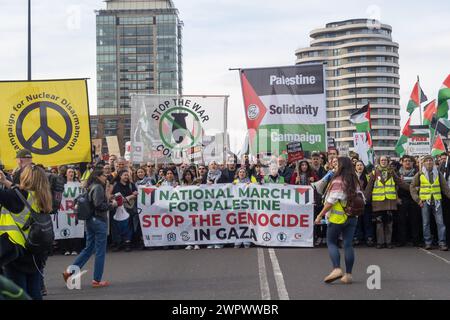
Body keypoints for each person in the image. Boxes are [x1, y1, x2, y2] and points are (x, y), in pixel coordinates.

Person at [0, 165, 53, 300]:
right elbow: (17, 191)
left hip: (15, 254)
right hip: (35, 254)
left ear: (26, 178)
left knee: (16, 295)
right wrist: (6, 181)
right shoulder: (42, 197)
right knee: (34, 293)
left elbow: (15, 194)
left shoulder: (18, 197)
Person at [63, 170, 117, 288]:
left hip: (90, 220)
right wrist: (112, 205)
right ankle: (97, 280)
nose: (105, 176)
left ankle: (69, 272)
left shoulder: (91, 186)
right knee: (100, 251)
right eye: (103, 175)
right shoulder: (98, 187)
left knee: (89, 249)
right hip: (99, 221)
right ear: (98, 176)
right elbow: (98, 205)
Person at [314, 157, 360, 284]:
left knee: (331, 242)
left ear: (341, 166)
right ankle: (348, 275)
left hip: (337, 217)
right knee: (348, 245)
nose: (334, 166)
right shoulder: (355, 180)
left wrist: (319, 215)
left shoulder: (339, 180)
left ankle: (336, 269)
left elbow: (330, 202)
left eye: (336, 164)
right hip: (352, 217)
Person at [410, 155, 450, 251]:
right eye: (426, 161)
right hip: (424, 202)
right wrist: (417, 200)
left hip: (437, 201)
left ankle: (442, 243)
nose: (428, 162)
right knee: (426, 223)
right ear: (423, 163)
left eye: (430, 160)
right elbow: (412, 186)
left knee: (440, 223)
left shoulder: (438, 173)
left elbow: (445, 188)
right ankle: (428, 243)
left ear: (433, 162)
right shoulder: (420, 174)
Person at [365, 156, 401, 249]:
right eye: (382, 160)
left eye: (385, 160)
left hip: (389, 201)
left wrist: (411, 188)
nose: (383, 161)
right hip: (378, 202)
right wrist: (365, 198)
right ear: (379, 162)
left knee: (389, 223)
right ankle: (380, 242)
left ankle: (388, 242)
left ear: (388, 161)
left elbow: (400, 183)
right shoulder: (374, 173)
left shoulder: (392, 172)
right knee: (379, 223)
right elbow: (369, 187)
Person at [397, 156, 422, 247]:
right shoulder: (398, 173)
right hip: (402, 199)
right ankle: (402, 240)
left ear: (412, 163)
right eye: (405, 161)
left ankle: (416, 240)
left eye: (409, 161)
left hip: (414, 199)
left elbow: (420, 185)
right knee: (401, 220)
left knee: (415, 220)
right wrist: (397, 198)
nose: (407, 162)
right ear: (402, 163)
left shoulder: (418, 172)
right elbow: (395, 186)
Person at [60, 167, 84, 256]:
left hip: (75, 210)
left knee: (76, 228)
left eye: (72, 172)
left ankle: (75, 249)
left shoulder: (78, 184)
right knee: (64, 227)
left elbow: (82, 195)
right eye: (69, 172)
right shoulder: (62, 184)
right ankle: (66, 249)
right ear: (66, 174)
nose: (71, 173)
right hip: (64, 210)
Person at [354, 161, 375, 247]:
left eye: (361, 165)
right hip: (355, 202)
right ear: (355, 167)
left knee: (367, 220)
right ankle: (357, 237)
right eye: (358, 165)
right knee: (357, 221)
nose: (359, 167)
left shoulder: (367, 176)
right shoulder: (352, 177)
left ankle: (369, 237)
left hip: (366, 202)